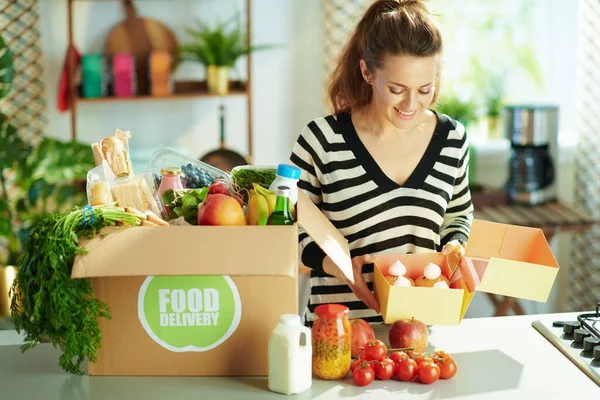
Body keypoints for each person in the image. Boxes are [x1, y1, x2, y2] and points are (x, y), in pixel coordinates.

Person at [290, 0, 474, 326]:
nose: (411, 104)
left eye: (424, 89)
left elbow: (457, 215)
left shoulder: (452, 140)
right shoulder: (321, 141)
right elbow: (290, 229)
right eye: (397, 89)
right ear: (367, 73)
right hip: (336, 336)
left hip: (420, 338)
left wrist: (453, 246)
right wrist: (343, 267)